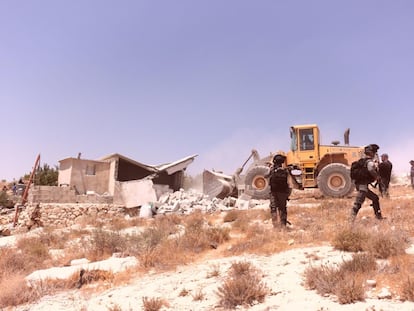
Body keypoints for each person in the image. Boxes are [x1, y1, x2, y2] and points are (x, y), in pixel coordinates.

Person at [350, 144, 383, 221]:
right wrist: (377, 177)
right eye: (374, 152)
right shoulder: (369, 162)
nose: (375, 154)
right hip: (363, 186)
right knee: (358, 202)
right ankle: (350, 220)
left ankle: (378, 216)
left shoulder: (361, 161)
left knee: (375, 198)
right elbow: (371, 169)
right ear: (371, 153)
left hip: (360, 185)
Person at [266, 153, 291, 228]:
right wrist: (287, 195)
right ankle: (283, 225)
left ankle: (275, 226)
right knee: (282, 208)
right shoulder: (285, 171)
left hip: (273, 192)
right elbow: (289, 184)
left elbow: (266, 176)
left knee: (273, 208)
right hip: (283, 192)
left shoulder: (272, 170)